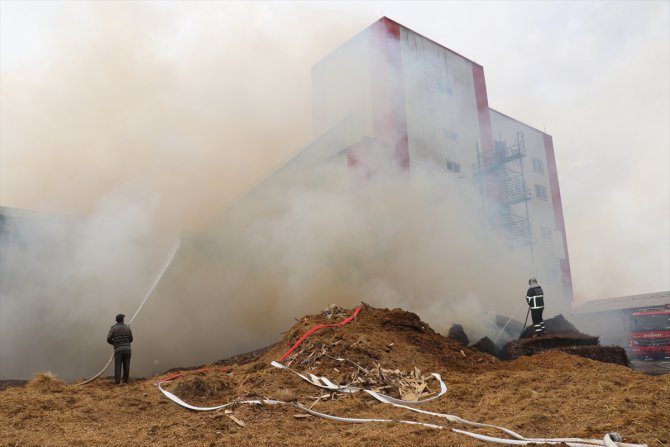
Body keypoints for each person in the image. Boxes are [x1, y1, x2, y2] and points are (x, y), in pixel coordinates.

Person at [107, 313, 133, 384]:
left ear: (116, 320)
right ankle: (125, 381)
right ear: (123, 320)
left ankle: (118, 381)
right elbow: (131, 339)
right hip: (128, 350)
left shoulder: (113, 328)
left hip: (118, 349)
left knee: (118, 365)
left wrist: (115, 344)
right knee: (126, 365)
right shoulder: (127, 328)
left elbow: (108, 339)